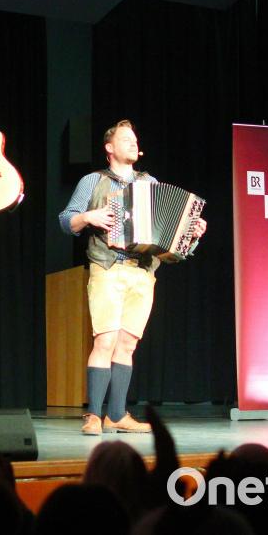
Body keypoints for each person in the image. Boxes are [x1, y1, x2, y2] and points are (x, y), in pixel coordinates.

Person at [59, 120, 206, 436]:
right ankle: (94, 415)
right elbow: (66, 220)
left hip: (142, 272)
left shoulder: (150, 183)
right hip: (108, 267)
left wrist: (191, 233)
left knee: (126, 344)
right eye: (124, 139)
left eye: (134, 139)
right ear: (109, 148)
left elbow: (173, 241)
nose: (132, 143)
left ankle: (116, 414)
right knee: (106, 340)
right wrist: (89, 217)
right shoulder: (93, 181)